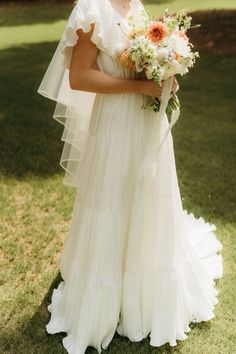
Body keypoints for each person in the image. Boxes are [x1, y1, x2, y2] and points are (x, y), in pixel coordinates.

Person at [37, 0, 223, 353]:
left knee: (147, 201)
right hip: (115, 125)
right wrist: (141, 88)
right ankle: (107, 296)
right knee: (112, 203)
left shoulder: (135, 7)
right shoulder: (91, 10)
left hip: (146, 124)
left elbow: (142, 63)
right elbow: (79, 77)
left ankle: (146, 292)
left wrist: (164, 74)